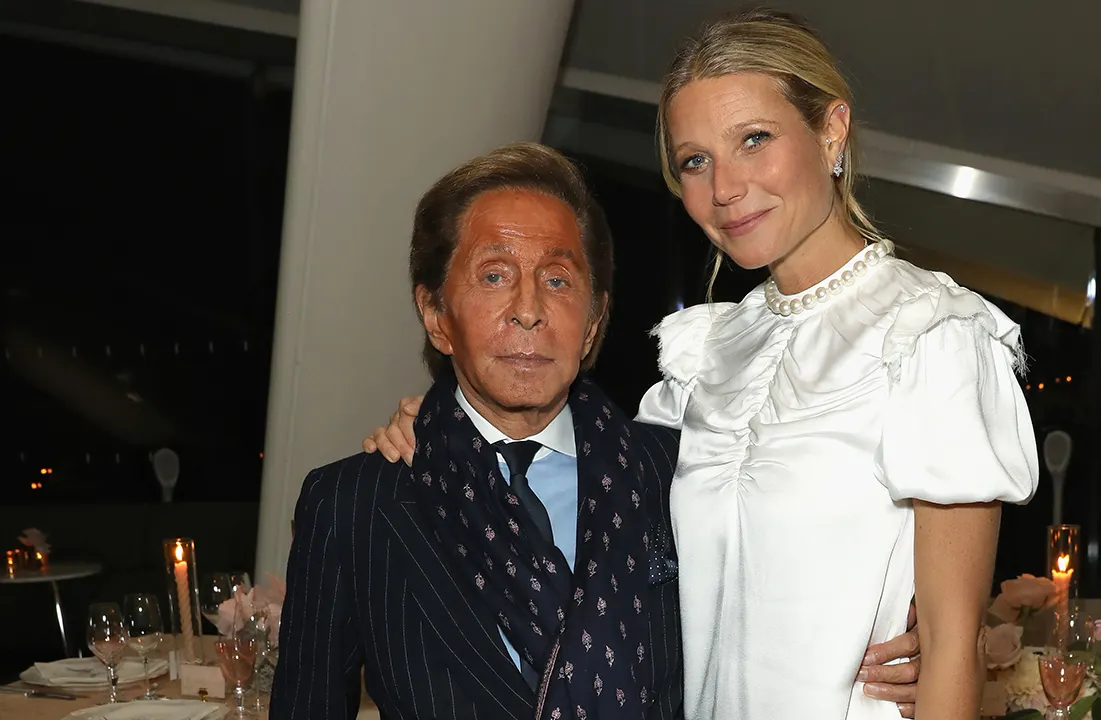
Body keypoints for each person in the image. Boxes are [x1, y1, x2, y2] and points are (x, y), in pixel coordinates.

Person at [364, 11, 1032, 720]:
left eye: (753, 140)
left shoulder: (931, 334)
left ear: (831, 131)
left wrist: (937, 657)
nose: (725, 187)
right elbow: (586, 499)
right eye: (695, 161)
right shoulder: (705, 354)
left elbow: (954, 647)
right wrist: (447, 429)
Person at [272, 143, 688, 720]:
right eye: (494, 276)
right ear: (436, 316)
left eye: (558, 280)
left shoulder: (674, 472)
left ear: (593, 322)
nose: (528, 309)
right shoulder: (354, 506)